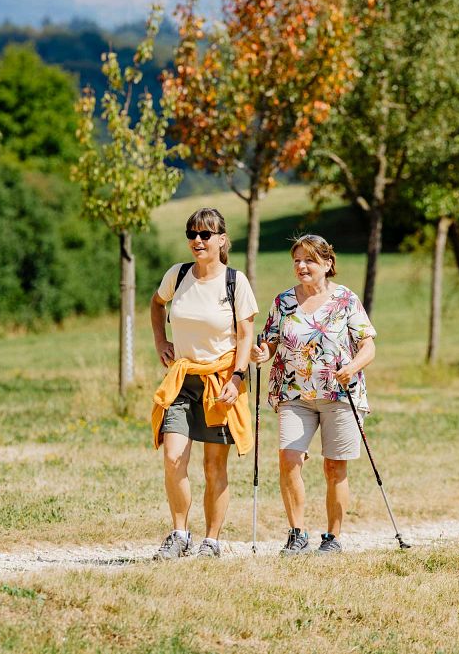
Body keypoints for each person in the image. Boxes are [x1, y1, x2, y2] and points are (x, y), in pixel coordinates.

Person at [251, 234, 376, 555]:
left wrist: (352, 367)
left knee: (335, 467)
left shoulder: (346, 299)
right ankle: (298, 534)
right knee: (289, 460)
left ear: (327, 263)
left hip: (339, 394)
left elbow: (368, 346)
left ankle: (333, 538)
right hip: (294, 393)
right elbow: (270, 342)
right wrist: (262, 353)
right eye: (297, 261)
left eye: (309, 260)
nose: (302, 266)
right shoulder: (283, 302)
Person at [148, 208, 257, 559]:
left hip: (220, 382)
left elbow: (246, 335)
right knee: (172, 457)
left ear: (221, 240)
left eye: (205, 234)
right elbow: (156, 303)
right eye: (192, 233)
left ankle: (211, 540)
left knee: (214, 466)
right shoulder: (178, 275)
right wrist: (160, 341)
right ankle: (180, 534)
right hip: (182, 380)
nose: (197, 240)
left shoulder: (235, 282)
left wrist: (238, 377)